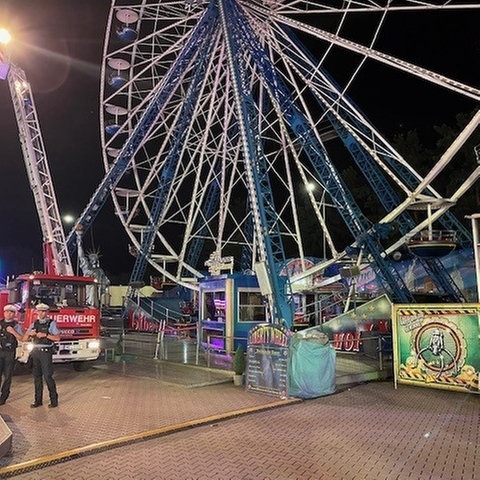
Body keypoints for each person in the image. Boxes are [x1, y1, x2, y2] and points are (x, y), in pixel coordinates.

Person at [23, 303, 60, 408]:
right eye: (39, 311)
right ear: (37, 312)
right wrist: (30, 334)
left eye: (44, 311)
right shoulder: (34, 324)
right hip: (35, 352)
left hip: (46, 352)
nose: (41, 313)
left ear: (47, 312)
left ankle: (54, 400)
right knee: (37, 377)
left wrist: (45, 335)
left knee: (48, 376)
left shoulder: (51, 323)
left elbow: (57, 338)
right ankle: (37, 401)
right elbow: (24, 338)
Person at [0, 304, 24, 405]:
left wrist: (13, 331)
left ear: (14, 314)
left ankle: (4, 396)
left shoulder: (16, 325)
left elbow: (22, 338)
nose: (9, 314)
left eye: (11, 312)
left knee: (8, 375)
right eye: (7, 312)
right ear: (4, 313)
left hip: (10, 352)